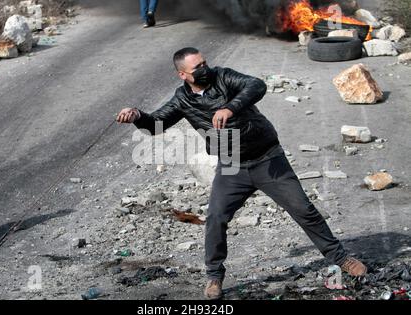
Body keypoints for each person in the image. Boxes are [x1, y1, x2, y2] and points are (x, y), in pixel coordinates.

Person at [116, 47, 367, 300]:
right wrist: (137, 115)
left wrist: (230, 108)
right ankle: (214, 276)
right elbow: (156, 124)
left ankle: (341, 258)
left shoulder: (223, 77)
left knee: (304, 210)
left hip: (267, 158)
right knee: (215, 218)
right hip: (232, 165)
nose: (205, 69)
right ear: (183, 75)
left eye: (205, 63)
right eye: (197, 68)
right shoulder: (182, 99)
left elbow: (256, 85)